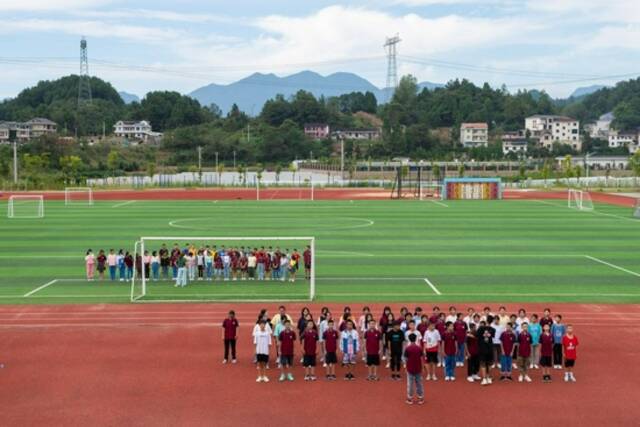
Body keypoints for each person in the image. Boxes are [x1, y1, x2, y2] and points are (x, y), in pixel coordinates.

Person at [403, 333, 424, 405]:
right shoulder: (419, 348)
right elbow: (421, 358)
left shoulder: (408, 349)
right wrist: (423, 367)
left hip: (410, 368)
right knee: (419, 383)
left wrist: (405, 367)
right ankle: (420, 398)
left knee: (410, 384)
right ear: (416, 339)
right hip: (418, 368)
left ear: (409, 339)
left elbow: (406, 359)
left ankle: (410, 398)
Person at [477, 320, 495, 386]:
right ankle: (486, 378)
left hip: (486, 350)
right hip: (485, 350)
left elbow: (492, 330)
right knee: (486, 364)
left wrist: (486, 327)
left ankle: (486, 378)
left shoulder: (482, 330)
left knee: (486, 364)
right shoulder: (481, 330)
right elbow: (491, 330)